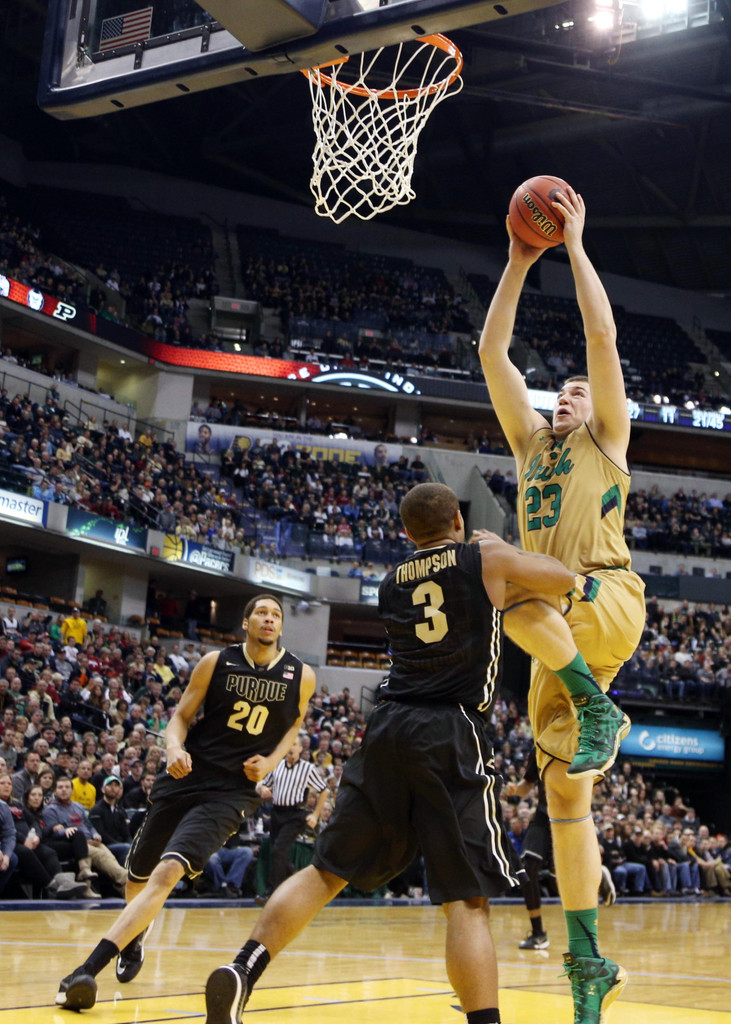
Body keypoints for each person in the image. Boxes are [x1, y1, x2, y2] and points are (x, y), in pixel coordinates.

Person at [203, 482, 609, 1024]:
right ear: (459, 523)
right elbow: (556, 578)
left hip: (388, 726)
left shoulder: (392, 580)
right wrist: (582, 585)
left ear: (405, 533)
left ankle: (243, 970)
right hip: (451, 727)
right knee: (465, 898)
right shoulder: (481, 554)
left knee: (327, 869)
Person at [478, 187, 645, 1022]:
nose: (568, 394)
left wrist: (574, 246)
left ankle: (594, 704)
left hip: (606, 594)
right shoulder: (528, 446)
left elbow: (601, 335)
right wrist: (515, 264)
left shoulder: (606, 440)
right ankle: (587, 966)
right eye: (564, 392)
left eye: (580, 392)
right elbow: (491, 353)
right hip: (554, 626)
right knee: (561, 800)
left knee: (496, 567)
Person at [55, 593, 316, 1012]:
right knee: (135, 878)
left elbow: (294, 725)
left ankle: (82, 973)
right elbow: (180, 716)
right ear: (246, 623)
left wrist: (269, 762)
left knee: (167, 873)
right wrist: (173, 748)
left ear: (281, 628)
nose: (269, 619)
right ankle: (134, 938)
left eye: (276, 615)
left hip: (233, 791)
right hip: (186, 774)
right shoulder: (215, 662)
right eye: (262, 613)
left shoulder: (300, 675)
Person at [254, 736, 328, 905]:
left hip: (295, 815)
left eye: (294, 745)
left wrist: (315, 815)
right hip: (277, 813)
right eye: (288, 745)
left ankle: (271, 893)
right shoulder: (277, 765)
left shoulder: (307, 768)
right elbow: (263, 784)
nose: (291, 748)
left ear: (301, 749)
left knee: (279, 849)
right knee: (278, 853)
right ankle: (298, 885)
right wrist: (262, 788)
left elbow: (324, 791)